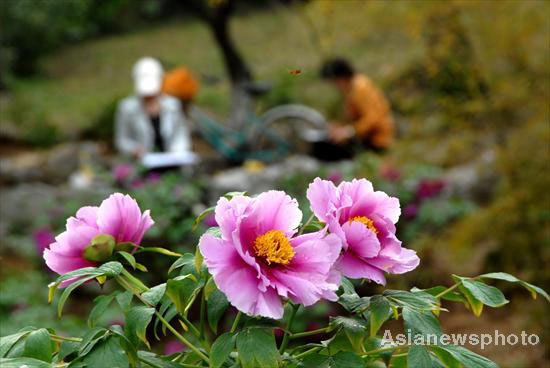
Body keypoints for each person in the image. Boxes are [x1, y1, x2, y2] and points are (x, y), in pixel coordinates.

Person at [315, 58, 394, 160]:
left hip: (376, 140)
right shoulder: (351, 89)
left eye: (334, 82)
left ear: (341, 78)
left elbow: (373, 119)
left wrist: (348, 132)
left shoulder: (361, 88)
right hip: (364, 137)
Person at [115, 57, 192, 159]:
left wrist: (178, 150)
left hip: (174, 163)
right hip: (142, 165)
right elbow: (122, 140)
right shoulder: (127, 108)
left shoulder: (173, 105)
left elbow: (181, 134)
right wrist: (133, 149)